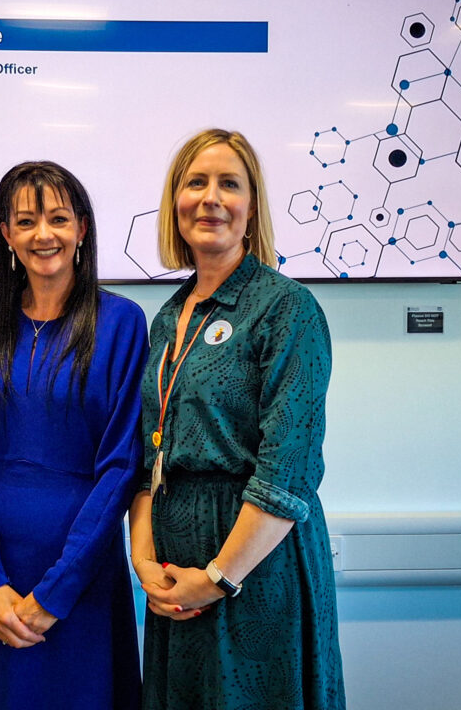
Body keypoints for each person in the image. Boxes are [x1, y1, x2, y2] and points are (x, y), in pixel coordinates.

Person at [129, 129, 345, 710]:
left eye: (229, 184)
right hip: (177, 573)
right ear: (175, 203)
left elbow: (289, 467)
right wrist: (146, 563)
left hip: (253, 566)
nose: (210, 198)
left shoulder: (287, 307)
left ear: (252, 208)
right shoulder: (168, 317)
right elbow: (152, 458)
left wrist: (221, 575)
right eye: (195, 183)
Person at [0, 161, 148, 710]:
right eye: (26, 221)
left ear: (82, 228)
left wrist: (56, 593)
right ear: (6, 234)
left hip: (82, 574)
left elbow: (123, 465)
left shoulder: (123, 323)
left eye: (58, 218)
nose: (43, 235)